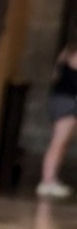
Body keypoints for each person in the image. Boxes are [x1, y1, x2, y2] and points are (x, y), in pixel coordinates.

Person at [38, 44, 77, 198]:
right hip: (66, 102)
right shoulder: (70, 65)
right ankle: (47, 181)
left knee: (61, 143)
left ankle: (51, 179)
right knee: (58, 142)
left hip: (65, 101)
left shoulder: (64, 63)